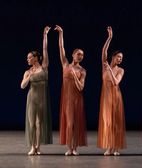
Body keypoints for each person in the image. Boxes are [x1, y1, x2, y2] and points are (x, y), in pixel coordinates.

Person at [55, 25, 87, 156]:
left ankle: (75, 148)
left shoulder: (83, 71)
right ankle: (70, 148)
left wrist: (75, 76)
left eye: (82, 55)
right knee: (69, 124)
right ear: (73, 54)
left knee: (76, 124)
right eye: (78, 54)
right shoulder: (65, 65)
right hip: (67, 99)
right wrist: (61, 34)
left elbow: (81, 87)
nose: (80, 56)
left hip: (76, 99)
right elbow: (61, 49)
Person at [21, 26, 53, 155]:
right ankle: (32, 147)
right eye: (27, 58)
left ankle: (38, 147)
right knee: (32, 123)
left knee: (40, 123)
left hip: (42, 98)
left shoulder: (44, 66)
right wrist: (28, 77)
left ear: (35, 58)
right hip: (32, 98)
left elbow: (45, 50)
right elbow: (22, 86)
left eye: (29, 57)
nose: (28, 59)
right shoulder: (27, 72)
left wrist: (45, 35)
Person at [97, 26, 126, 156]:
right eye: (118, 57)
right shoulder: (105, 66)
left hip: (116, 96)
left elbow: (116, 82)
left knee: (116, 123)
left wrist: (109, 70)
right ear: (113, 56)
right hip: (106, 97)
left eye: (121, 58)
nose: (120, 59)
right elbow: (104, 51)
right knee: (107, 122)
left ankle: (116, 147)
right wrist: (109, 37)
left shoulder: (120, 70)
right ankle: (109, 147)